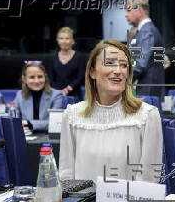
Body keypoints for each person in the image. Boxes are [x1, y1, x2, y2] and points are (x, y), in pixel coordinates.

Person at [59, 39, 163, 183]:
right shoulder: (72, 115)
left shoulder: (147, 115)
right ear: (92, 72)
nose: (118, 71)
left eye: (124, 65)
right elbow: (66, 175)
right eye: (110, 63)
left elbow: (148, 179)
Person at [125, 0, 165, 99]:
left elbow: (140, 65)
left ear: (139, 11)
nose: (126, 15)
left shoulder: (147, 32)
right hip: (148, 88)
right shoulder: (146, 31)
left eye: (129, 10)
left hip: (147, 90)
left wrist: (122, 81)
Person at [14, 61, 63, 131]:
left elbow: (55, 123)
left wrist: (28, 124)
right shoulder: (19, 95)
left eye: (40, 77)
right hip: (25, 136)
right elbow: (13, 120)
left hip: (47, 137)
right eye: (32, 77)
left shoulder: (56, 95)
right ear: (24, 79)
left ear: (45, 77)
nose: (36, 81)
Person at [48, 27, 85, 97]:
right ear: (57, 40)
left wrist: (68, 89)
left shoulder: (79, 57)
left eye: (67, 38)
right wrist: (59, 91)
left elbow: (81, 77)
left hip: (75, 94)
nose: (64, 41)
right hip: (56, 94)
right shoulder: (52, 58)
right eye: (61, 38)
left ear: (73, 41)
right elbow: (50, 78)